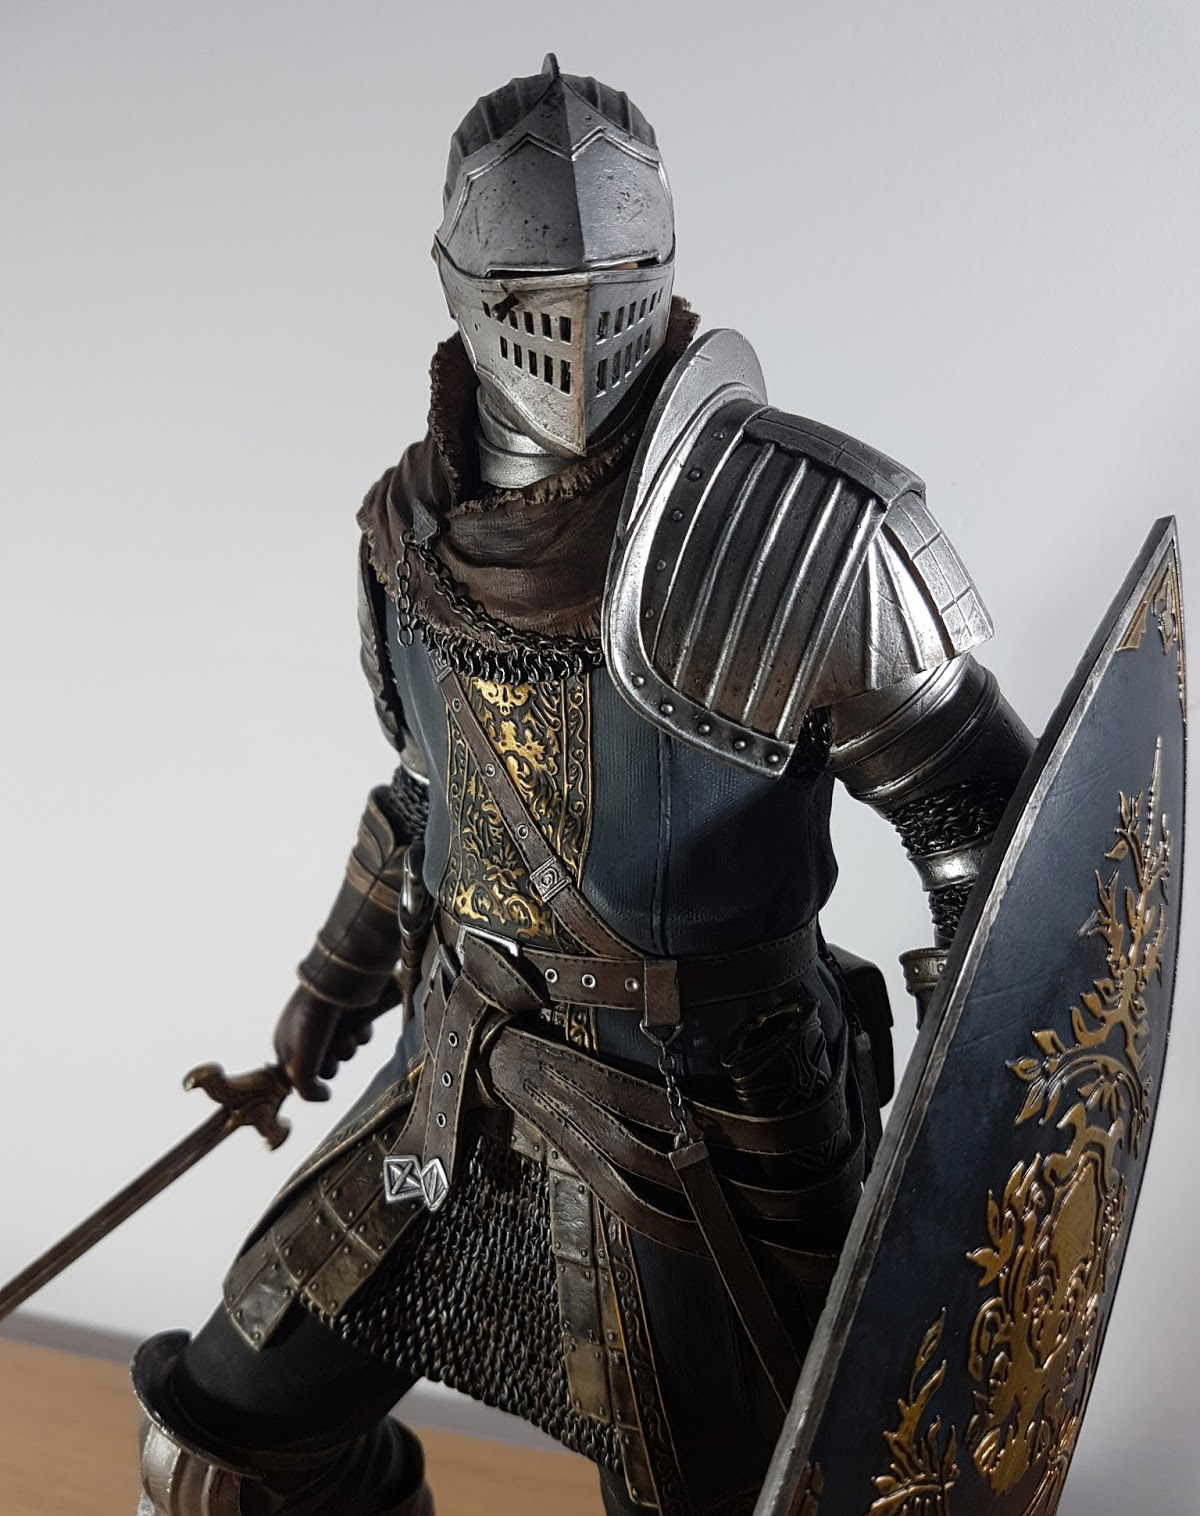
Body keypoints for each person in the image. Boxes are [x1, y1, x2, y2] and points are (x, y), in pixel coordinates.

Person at [132, 56, 1033, 1516]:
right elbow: (427, 803)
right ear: (459, 287)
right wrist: (321, 1004)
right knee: (216, 1462)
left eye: (611, 288)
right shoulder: (407, 534)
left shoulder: (797, 532)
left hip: (705, 1133)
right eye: (535, 293)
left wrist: (965, 1134)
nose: (574, 329)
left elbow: (994, 840)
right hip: (456, 1098)